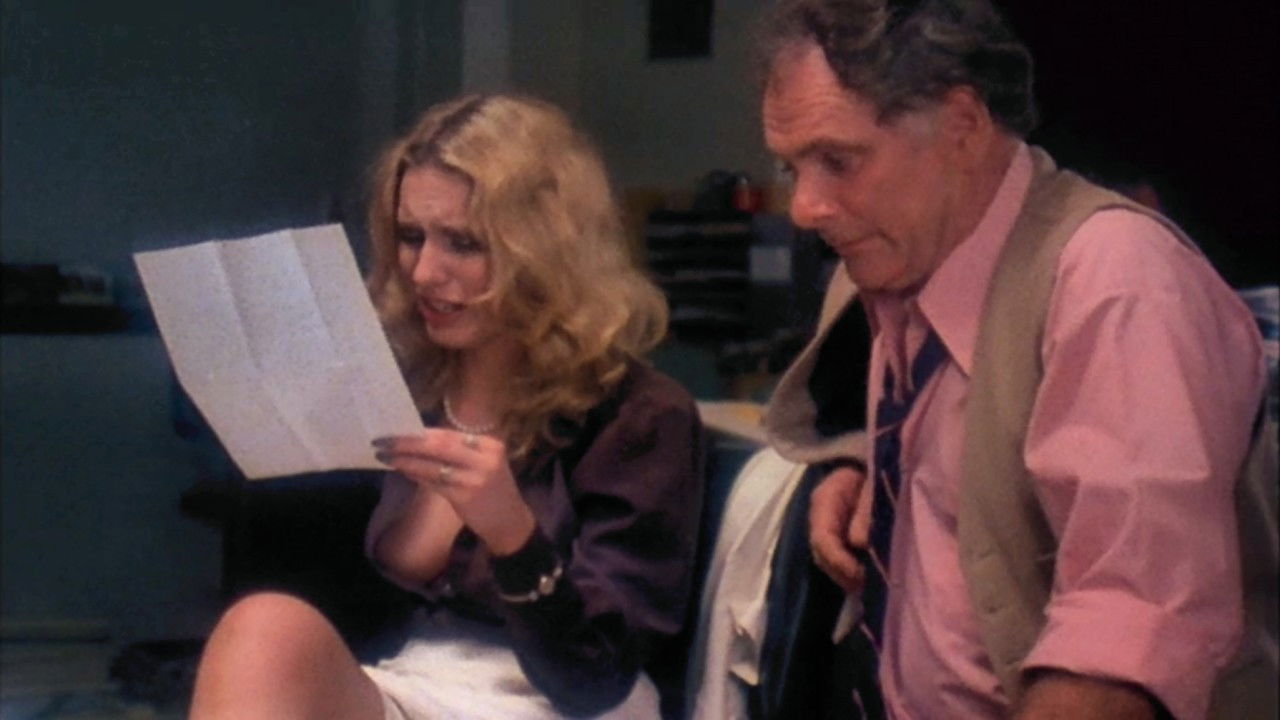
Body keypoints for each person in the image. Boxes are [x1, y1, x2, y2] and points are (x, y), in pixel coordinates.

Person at [755, 1, 1268, 718]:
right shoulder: (893, 256)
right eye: (793, 168)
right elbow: (973, 440)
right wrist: (856, 462)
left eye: (839, 161)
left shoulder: (1112, 281)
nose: (804, 208)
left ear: (963, 125)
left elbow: (1127, 639)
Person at [189, 94, 706, 719]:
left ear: (543, 250)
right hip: (413, 680)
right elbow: (334, 614)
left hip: (564, 702)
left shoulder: (640, 416)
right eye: (411, 237)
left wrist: (513, 537)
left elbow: (596, 678)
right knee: (262, 629)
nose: (424, 273)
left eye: (462, 243)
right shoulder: (400, 389)